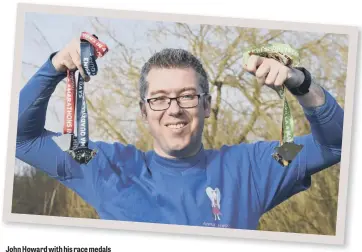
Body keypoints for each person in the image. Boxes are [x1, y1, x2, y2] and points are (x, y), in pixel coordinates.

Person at [16, 37, 343, 230]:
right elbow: (20, 139)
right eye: (158, 99)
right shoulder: (105, 167)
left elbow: (335, 145)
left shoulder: (256, 167)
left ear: (207, 106)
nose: (174, 109)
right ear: (144, 111)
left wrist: (300, 82)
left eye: (187, 96)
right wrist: (56, 66)